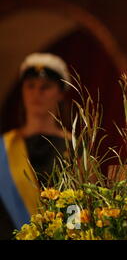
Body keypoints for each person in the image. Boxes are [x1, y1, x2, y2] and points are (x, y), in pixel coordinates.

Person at [0, 53, 70, 239]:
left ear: (61, 93)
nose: (36, 93)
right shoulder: (4, 146)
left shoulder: (75, 146)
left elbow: (78, 207)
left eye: (45, 87)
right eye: (30, 86)